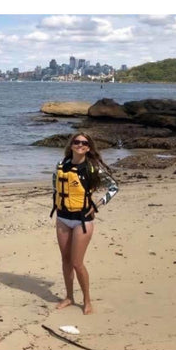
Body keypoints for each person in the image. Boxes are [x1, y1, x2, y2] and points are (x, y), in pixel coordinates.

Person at [51, 132, 118, 314]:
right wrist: (57, 202)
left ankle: (87, 300)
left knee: (77, 263)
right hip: (63, 218)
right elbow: (55, 184)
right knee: (65, 260)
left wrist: (98, 204)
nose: (80, 144)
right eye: (76, 142)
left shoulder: (92, 168)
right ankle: (69, 297)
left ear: (88, 148)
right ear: (71, 145)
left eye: (84, 143)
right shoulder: (61, 164)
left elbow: (114, 186)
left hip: (83, 221)